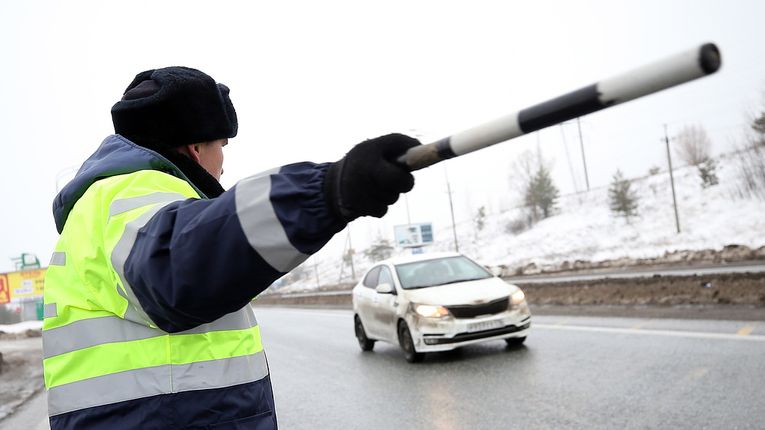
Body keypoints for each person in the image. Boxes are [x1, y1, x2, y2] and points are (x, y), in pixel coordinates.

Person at [42, 66, 419, 429]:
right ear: (195, 147)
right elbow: (179, 263)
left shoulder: (104, 205)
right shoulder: (127, 192)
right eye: (221, 146)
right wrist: (326, 192)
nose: (223, 163)